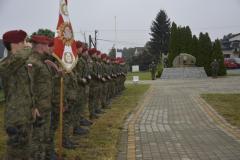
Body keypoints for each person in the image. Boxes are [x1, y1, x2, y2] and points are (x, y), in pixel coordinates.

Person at [0, 30, 32, 160]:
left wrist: (33, 107)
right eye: (24, 41)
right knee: (14, 152)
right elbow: (18, 58)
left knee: (25, 149)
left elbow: (28, 88)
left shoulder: (21, 64)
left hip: (25, 112)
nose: (26, 44)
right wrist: (29, 49)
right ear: (14, 44)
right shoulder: (6, 63)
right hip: (15, 116)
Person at [27, 34, 54, 159]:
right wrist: (33, 107)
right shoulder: (32, 62)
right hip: (38, 108)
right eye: (47, 45)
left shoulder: (42, 62)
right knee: (36, 139)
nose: (49, 48)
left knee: (44, 137)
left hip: (45, 106)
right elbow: (28, 86)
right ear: (41, 46)